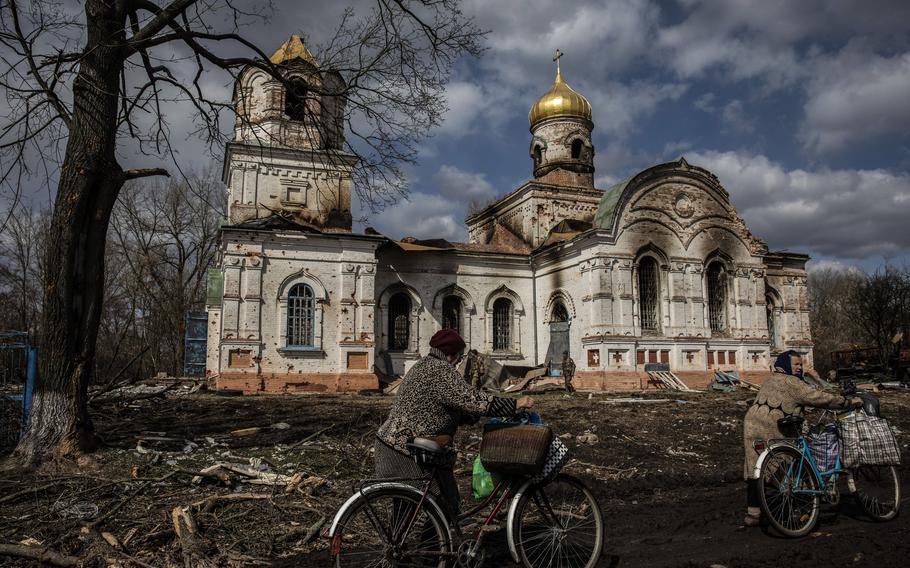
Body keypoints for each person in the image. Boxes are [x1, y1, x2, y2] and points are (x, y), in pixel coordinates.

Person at [375, 329, 534, 523]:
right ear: (451, 354)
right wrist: (514, 404)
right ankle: (432, 549)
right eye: (459, 357)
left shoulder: (424, 364)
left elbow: (444, 405)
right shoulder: (440, 371)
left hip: (396, 445)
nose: (459, 361)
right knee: (439, 505)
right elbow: (472, 400)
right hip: (405, 451)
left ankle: (429, 548)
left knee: (421, 507)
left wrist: (469, 416)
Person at [741, 350, 860, 527]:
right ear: (786, 365)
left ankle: (753, 513)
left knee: (755, 467)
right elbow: (818, 397)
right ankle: (799, 507)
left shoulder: (771, 379)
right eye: (796, 364)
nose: (799, 368)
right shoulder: (793, 383)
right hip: (774, 426)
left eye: (800, 364)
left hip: (752, 425)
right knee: (789, 464)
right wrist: (847, 402)